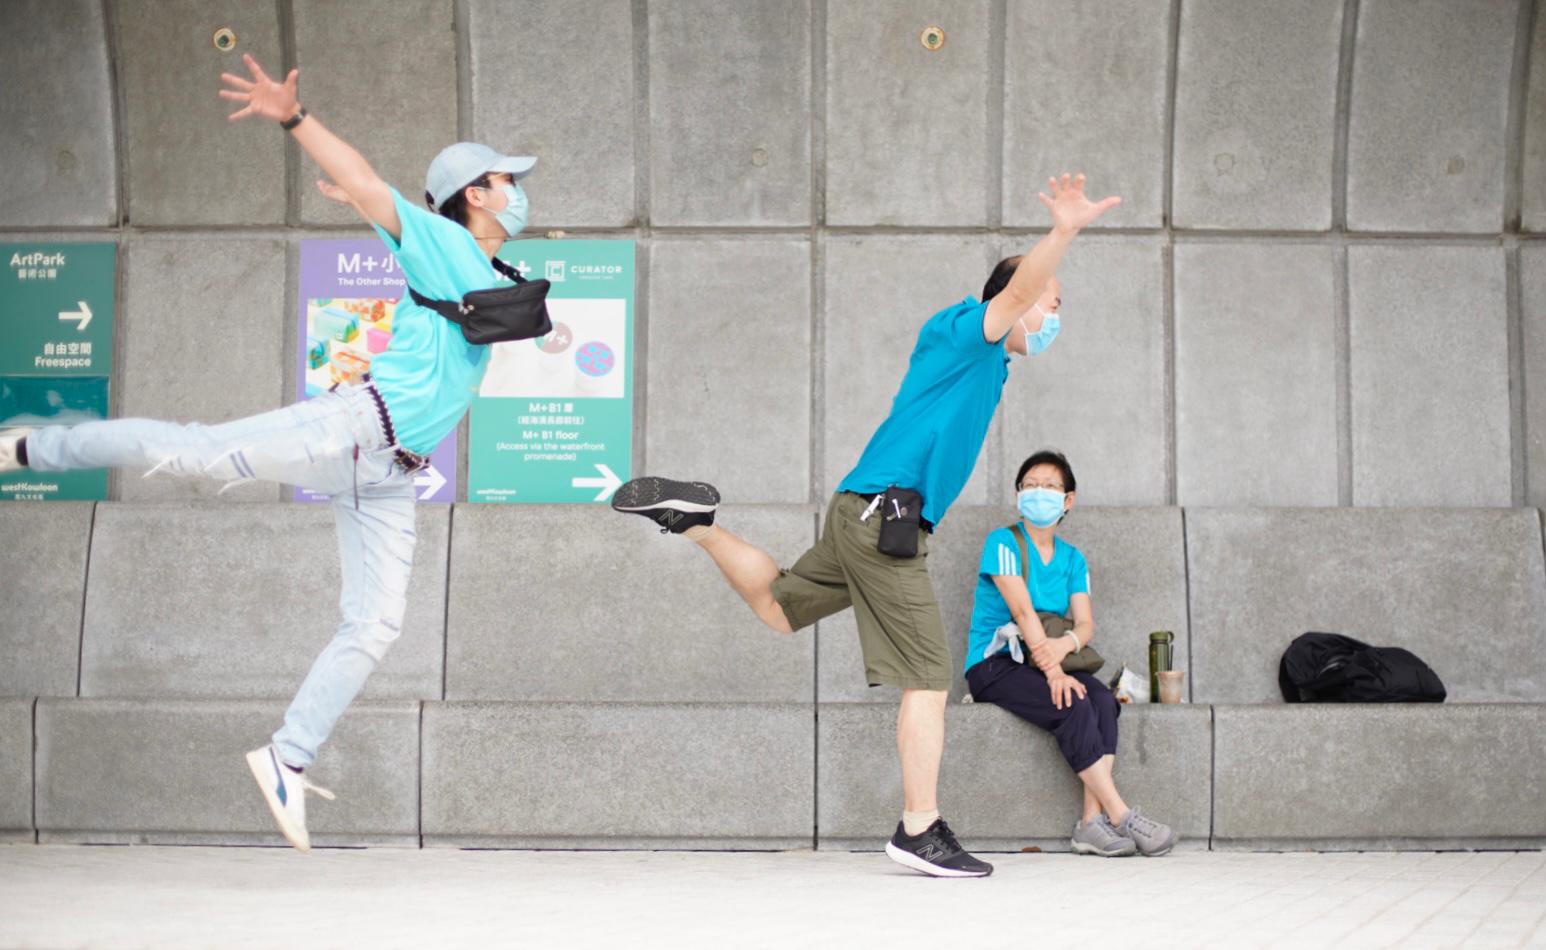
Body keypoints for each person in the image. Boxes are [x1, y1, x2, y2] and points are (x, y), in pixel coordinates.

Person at [0, 54, 536, 853]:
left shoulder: (495, 269)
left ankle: (287, 757)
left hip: (390, 475)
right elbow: (364, 180)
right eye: (506, 179)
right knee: (198, 454)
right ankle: (30, 446)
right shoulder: (438, 239)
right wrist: (293, 117)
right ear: (475, 193)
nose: (519, 190)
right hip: (353, 427)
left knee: (375, 625)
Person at [612, 174, 1120, 877]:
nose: (1055, 317)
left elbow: (1014, 303)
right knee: (930, 674)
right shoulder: (965, 332)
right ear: (1021, 296)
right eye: (1053, 303)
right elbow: (1013, 293)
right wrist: (1061, 234)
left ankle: (696, 524)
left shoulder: (988, 363)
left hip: (867, 514)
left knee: (779, 608)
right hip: (885, 517)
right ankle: (920, 829)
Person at [965, 449, 1177, 857]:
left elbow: (1085, 624)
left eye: (1049, 486)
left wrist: (1064, 647)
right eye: (1029, 485)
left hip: (1046, 656)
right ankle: (1122, 815)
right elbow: (1023, 613)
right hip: (995, 665)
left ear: (1068, 500)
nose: (1037, 492)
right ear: (1018, 495)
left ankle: (1089, 825)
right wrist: (1054, 673)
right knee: (1072, 702)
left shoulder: (1073, 559)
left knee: (1103, 701)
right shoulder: (1002, 542)